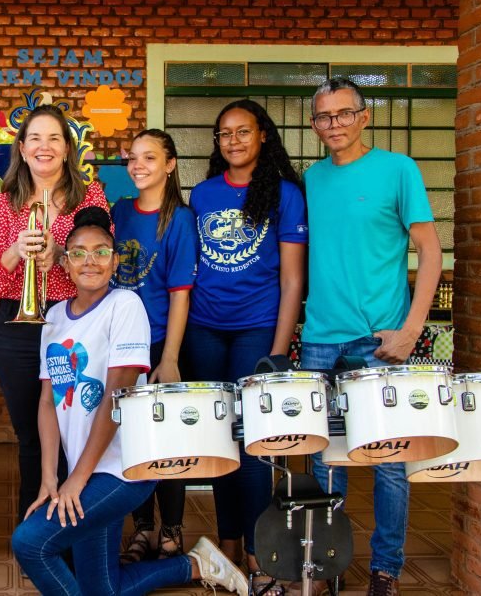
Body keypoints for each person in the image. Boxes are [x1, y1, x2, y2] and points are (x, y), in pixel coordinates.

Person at [11, 206, 248, 596]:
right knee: (102, 587)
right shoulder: (52, 316)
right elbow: (48, 402)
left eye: (102, 251)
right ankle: (196, 564)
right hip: (83, 471)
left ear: (115, 261)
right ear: (64, 264)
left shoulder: (125, 306)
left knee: (30, 543)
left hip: (123, 470)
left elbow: (116, 396)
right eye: (79, 253)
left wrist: (79, 478)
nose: (91, 261)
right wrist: (50, 478)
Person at [302, 78, 441, 596]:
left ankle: (386, 570)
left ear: (365, 117)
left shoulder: (398, 170)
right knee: (323, 460)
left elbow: (430, 250)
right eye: (323, 117)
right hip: (319, 338)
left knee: (389, 463)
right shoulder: (310, 179)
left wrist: (413, 329)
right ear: (315, 125)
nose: (333, 124)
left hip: (380, 338)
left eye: (342, 114)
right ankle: (326, 565)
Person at [183, 99, 307, 594]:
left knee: (255, 444)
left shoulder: (285, 194)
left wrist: (277, 353)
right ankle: (229, 547)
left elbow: (294, 281)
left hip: (257, 328)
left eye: (243, 131)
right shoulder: (204, 195)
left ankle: (261, 555)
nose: (233, 140)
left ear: (262, 137)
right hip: (204, 328)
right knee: (219, 442)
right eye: (224, 134)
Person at [0, 104, 110, 525]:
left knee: (76, 429)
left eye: (54, 138)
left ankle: (76, 525)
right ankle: (36, 527)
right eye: (35, 137)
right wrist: (18, 249)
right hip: (17, 328)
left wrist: (64, 257)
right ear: (21, 147)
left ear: (68, 149)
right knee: (30, 436)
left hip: (74, 322)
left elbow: (102, 264)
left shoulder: (91, 197)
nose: (44, 146)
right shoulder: (3, 203)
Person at [111, 129, 197, 562]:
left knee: (167, 441)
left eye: (149, 157)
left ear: (170, 164)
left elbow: (181, 293)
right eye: (132, 158)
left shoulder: (178, 219)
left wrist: (169, 357)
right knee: (133, 441)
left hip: (160, 341)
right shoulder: (120, 210)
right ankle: (142, 528)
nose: (138, 165)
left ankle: (172, 529)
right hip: (122, 345)